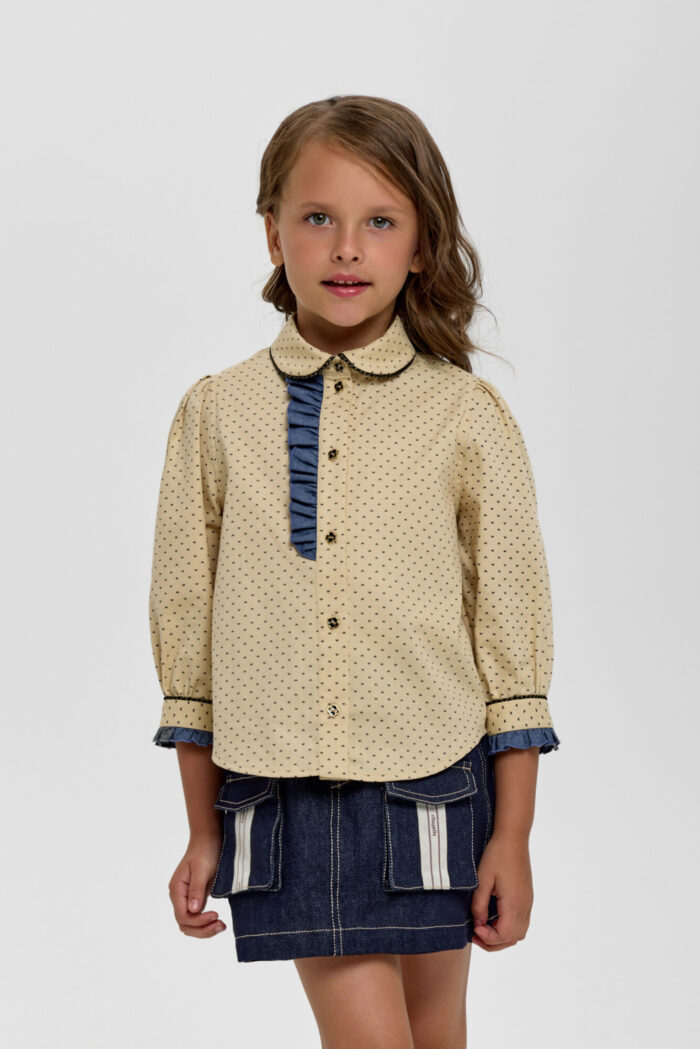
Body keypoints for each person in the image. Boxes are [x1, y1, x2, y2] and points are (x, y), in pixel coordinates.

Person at [148, 94, 561, 1048]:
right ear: (272, 232)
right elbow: (189, 639)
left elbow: (511, 638)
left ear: (420, 244)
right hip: (284, 796)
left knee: (437, 1033)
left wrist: (513, 835)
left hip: (437, 788)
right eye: (317, 218)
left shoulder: (467, 415)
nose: (346, 248)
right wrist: (203, 827)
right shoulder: (216, 414)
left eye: (380, 221)